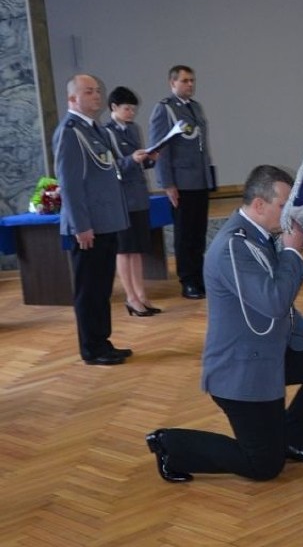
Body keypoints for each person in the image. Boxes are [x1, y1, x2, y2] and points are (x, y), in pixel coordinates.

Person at [145, 165, 303, 482]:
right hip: (241, 371)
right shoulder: (233, 248)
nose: (291, 213)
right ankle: (171, 445)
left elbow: (267, 301)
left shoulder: (257, 237)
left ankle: (293, 440)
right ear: (259, 204)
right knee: (263, 467)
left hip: (268, 354)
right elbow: (272, 300)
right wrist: (293, 253)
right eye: (284, 206)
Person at [52, 75, 133, 366]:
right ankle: (91, 348)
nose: (97, 96)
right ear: (73, 99)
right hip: (89, 227)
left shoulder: (92, 129)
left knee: (101, 288)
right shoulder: (70, 132)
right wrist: (81, 225)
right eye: (89, 92)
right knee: (89, 290)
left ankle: (103, 341)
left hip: (104, 222)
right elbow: (70, 184)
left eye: (98, 91)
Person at [148, 65, 214, 299]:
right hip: (181, 182)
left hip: (199, 180)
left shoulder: (195, 107)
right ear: (172, 83)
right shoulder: (165, 109)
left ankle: (198, 275)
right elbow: (161, 148)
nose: (190, 84)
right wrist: (167, 184)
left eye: (192, 80)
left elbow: (200, 147)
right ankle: (187, 280)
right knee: (185, 234)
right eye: (185, 81)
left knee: (198, 232)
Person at [104, 86, 161, 316]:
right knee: (124, 250)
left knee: (137, 249)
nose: (131, 113)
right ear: (114, 107)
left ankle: (141, 295)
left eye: (133, 109)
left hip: (138, 196)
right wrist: (131, 159)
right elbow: (107, 167)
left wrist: (150, 159)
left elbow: (139, 162)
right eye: (127, 108)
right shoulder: (105, 132)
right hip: (121, 199)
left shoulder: (133, 129)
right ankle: (130, 297)